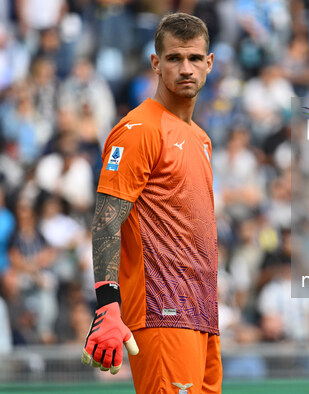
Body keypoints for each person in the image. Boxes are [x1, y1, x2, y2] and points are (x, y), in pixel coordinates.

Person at [80, 13, 222, 394]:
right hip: (163, 311)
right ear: (156, 64)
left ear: (210, 63)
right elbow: (107, 221)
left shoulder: (202, 139)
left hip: (202, 313)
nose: (186, 68)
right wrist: (108, 305)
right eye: (174, 58)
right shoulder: (139, 129)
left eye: (194, 58)